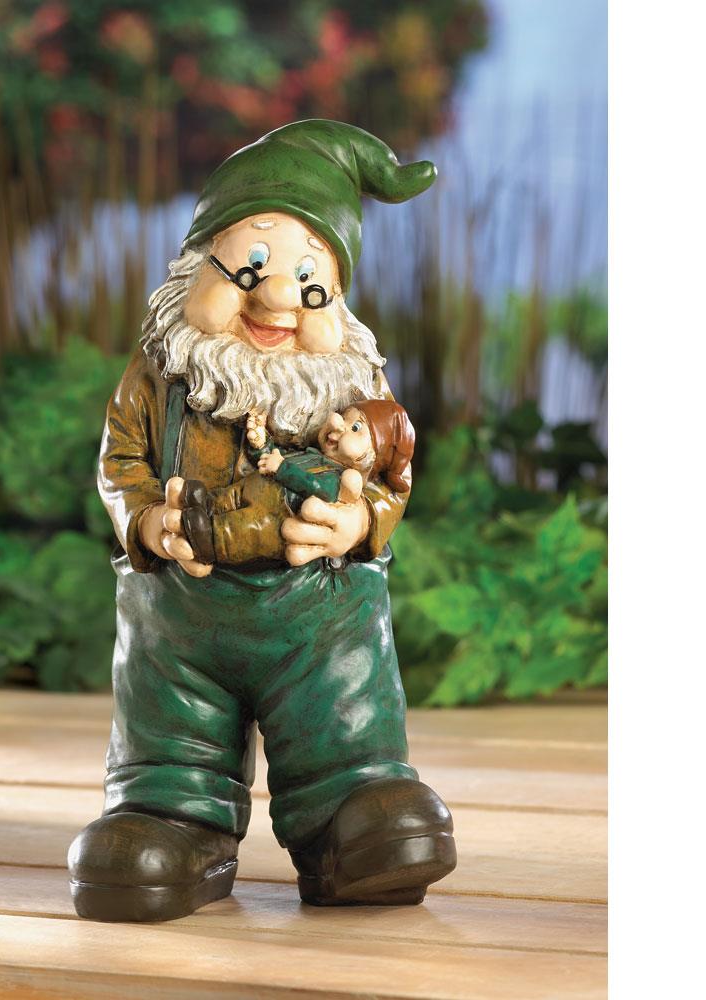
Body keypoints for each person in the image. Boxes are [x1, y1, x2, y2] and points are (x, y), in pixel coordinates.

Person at [68, 120, 457, 923]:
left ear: (339, 297)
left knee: (345, 730)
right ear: (196, 265)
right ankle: (171, 818)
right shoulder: (160, 372)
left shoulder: (354, 383)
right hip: (182, 623)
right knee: (171, 742)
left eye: (310, 283)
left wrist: (359, 522)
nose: (277, 299)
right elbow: (121, 460)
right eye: (250, 268)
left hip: (322, 623)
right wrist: (147, 520)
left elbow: (392, 472)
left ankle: (352, 810)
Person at [177, 400, 416, 567]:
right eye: (344, 417)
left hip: (275, 512)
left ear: (371, 458)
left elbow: (315, 487)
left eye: (355, 427)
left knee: (248, 528)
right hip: (255, 485)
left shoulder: (336, 478)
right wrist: (261, 444)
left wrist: (281, 468)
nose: (337, 422)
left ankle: (211, 539)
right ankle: (206, 503)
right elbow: (278, 457)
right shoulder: (313, 454)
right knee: (230, 496)